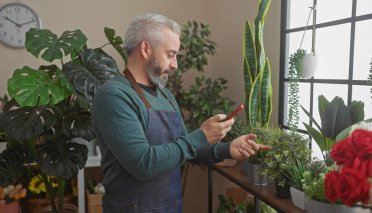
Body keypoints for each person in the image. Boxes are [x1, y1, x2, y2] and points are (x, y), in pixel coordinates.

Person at [92, 13, 270, 213]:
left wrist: (227, 149)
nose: (175, 64)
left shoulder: (165, 95)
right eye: (170, 54)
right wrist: (201, 136)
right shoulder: (114, 96)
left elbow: (186, 149)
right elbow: (143, 164)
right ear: (145, 49)